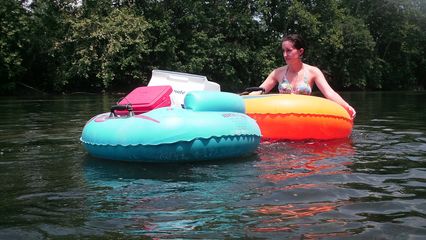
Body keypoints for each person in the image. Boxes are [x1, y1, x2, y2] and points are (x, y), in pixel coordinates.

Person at [250, 34, 356, 119]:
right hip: (283, 118)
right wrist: (242, 99)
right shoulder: (277, 73)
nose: (285, 54)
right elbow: (259, 91)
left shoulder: (313, 71)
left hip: (303, 118)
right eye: (283, 51)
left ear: (300, 51)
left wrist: (346, 106)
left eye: (289, 50)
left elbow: (329, 93)